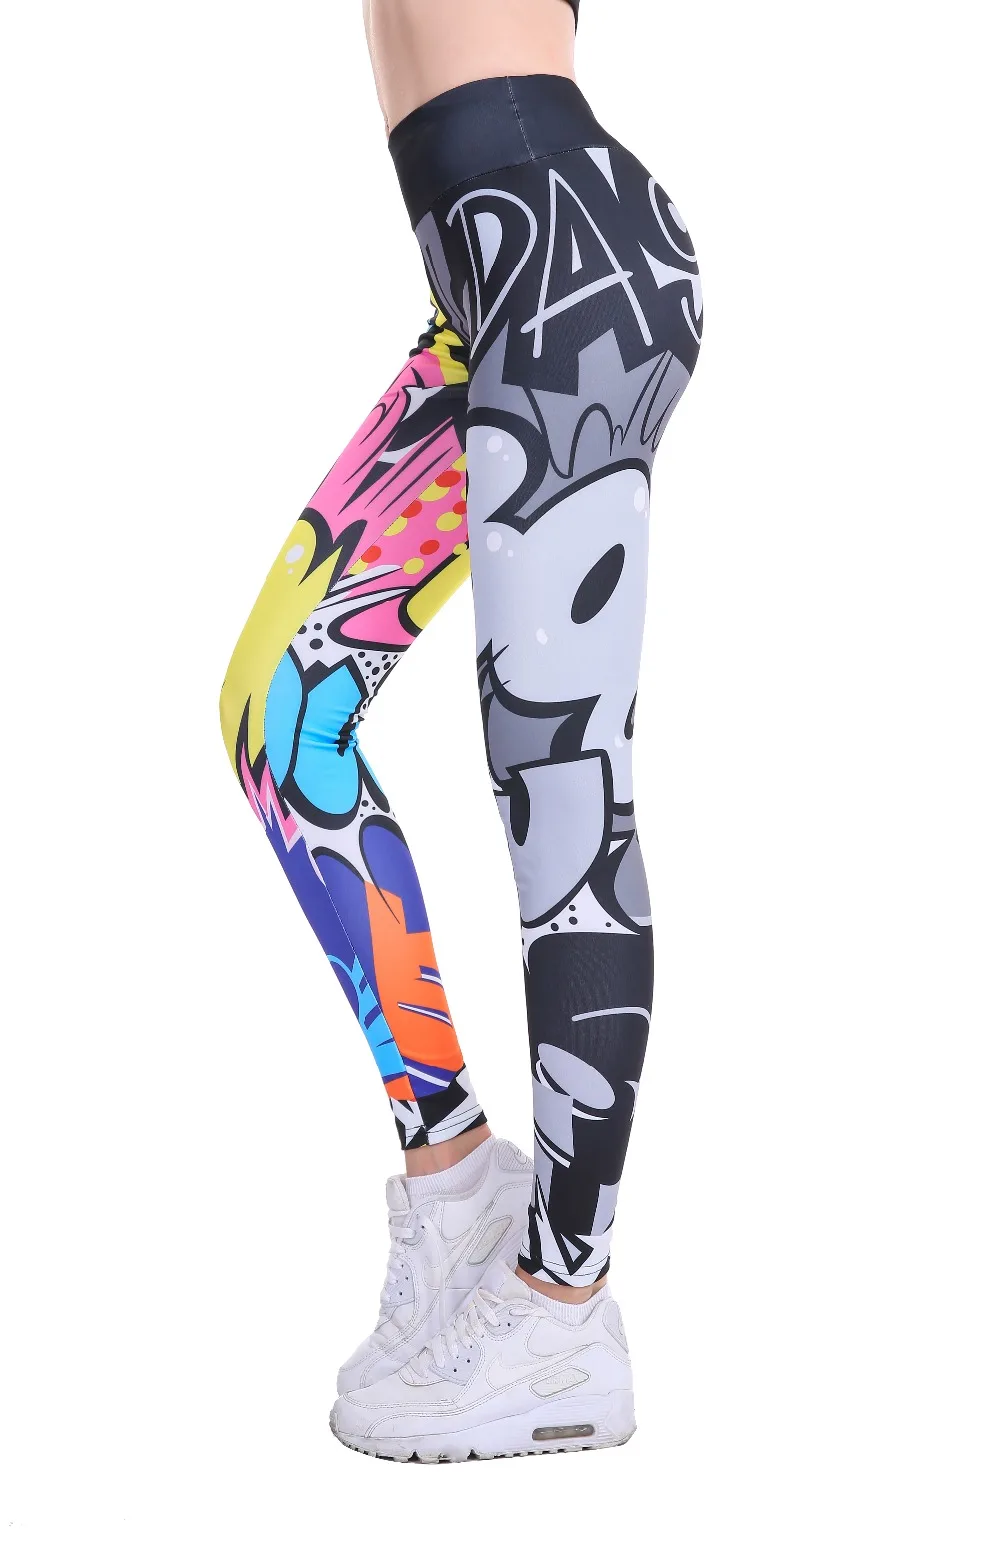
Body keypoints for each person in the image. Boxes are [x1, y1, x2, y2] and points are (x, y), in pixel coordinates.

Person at [220, 0, 701, 1461]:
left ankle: (563, 1304)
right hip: (493, 279)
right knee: (280, 708)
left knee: (560, 780)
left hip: (569, 261)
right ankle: (457, 1178)